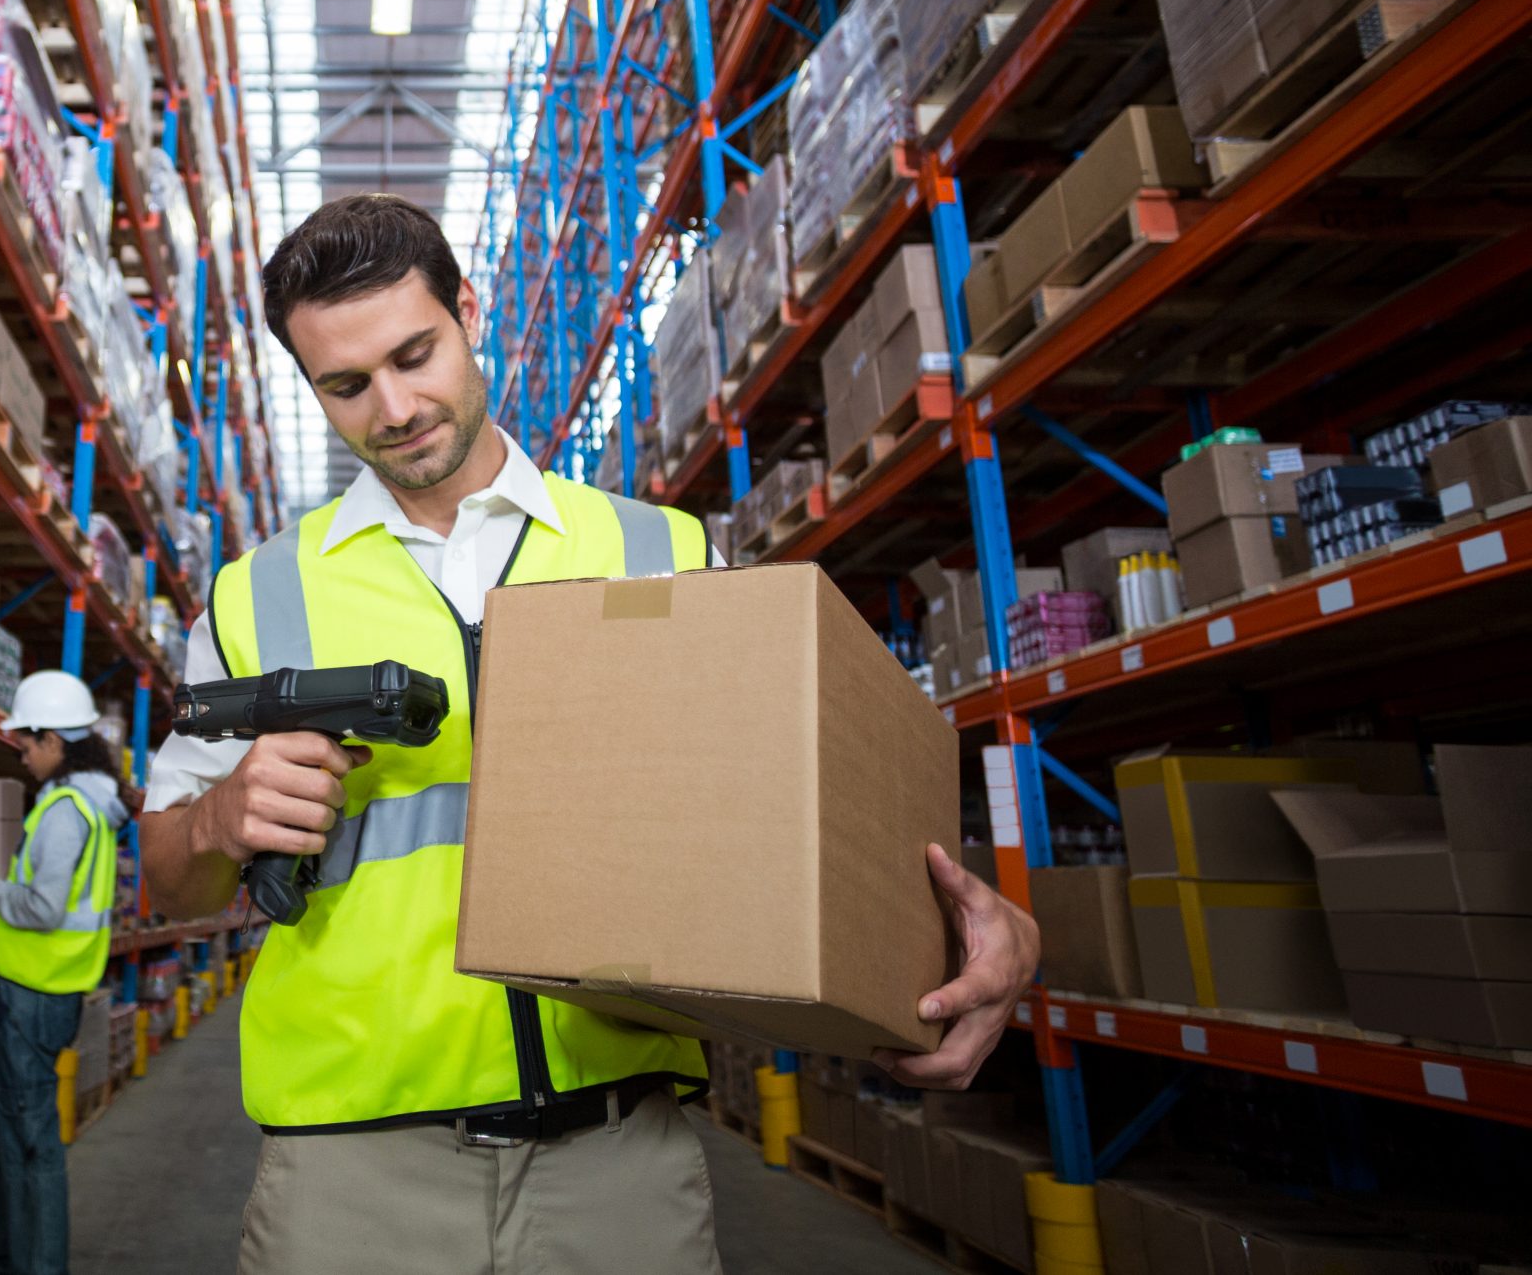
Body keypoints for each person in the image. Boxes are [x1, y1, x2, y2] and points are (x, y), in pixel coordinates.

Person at [138, 193, 1041, 1275]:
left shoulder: (656, 548)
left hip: (619, 1165)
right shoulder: (255, 597)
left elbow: (803, 804)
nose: (392, 406)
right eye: (345, 385)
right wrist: (220, 821)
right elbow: (168, 883)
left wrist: (973, 935)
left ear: (468, 314)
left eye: (415, 354)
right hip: (349, 1177)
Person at [0, 669, 129, 1275]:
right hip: (40, 990)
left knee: (31, 1147)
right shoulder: (90, 805)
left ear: (56, 742)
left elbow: (42, 907)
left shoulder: (66, 810)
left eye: (28, 743)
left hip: (35, 994)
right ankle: (0, 1260)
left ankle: (35, 1267)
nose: (23, 754)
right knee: (5, 1135)